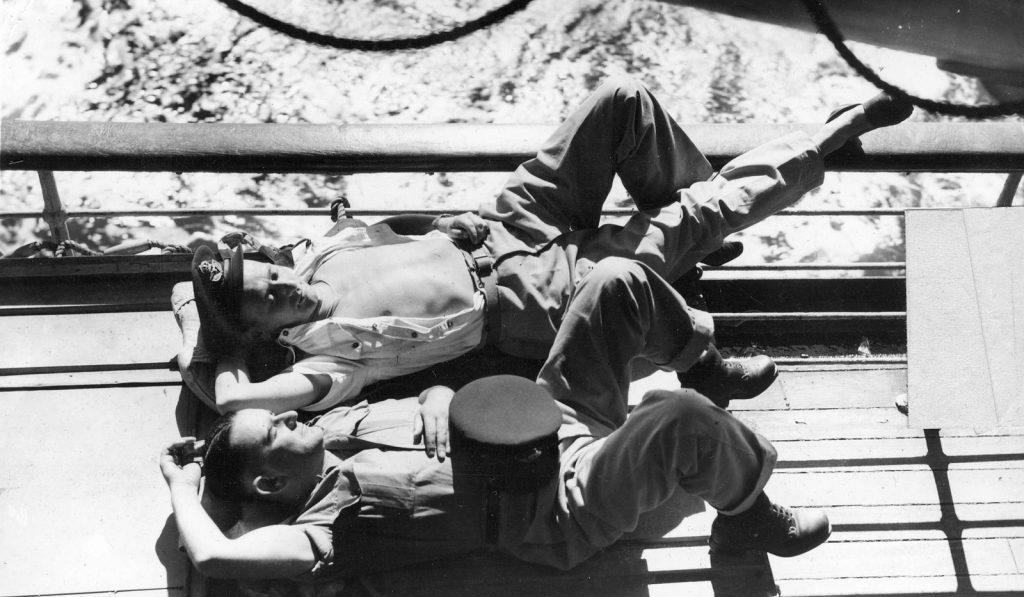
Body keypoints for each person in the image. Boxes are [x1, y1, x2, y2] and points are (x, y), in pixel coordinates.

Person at [181, 78, 913, 421]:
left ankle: (690, 242)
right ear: (261, 333)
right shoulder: (327, 362)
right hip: (527, 298)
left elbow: (188, 287)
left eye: (268, 272)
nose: (282, 284)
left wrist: (448, 230)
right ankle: (832, 135)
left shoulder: (311, 255)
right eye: (268, 301)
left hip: (499, 223)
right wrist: (210, 347)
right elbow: (231, 400)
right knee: (700, 214)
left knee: (620, 102)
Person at [161, 253, 835, 581]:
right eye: (277, 431)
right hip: (561, 505)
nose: (288, 420)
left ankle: (703, 363)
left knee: (615, 280)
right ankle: (747, 518)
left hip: (552, 416)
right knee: (679, 418)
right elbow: (216, 556)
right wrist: (182, 487)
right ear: (270, 483)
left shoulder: (338, 426)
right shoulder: (325, 526)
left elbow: (429, 393)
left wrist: (436, 397)